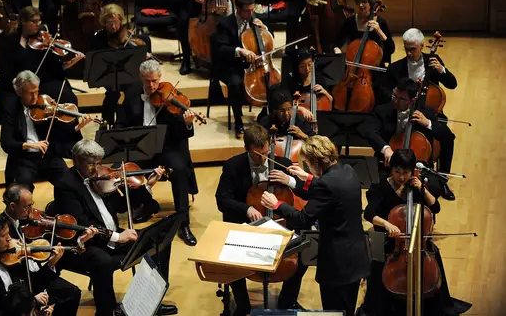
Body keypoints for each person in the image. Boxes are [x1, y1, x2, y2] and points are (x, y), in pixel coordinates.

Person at [53, 139, 177, 316]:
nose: (96, 168)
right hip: (86, 244)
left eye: (98, 163)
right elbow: (81, 225)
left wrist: (147, 186)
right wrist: (118, 237)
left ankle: (151, 302)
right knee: (102, 262)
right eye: (91, 164)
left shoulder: (99, 177)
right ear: (76, 160)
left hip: (112, 236)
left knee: (160, 239)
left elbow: (120, 205)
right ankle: (107, 311)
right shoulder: (66, 185)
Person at [261, 135, 370, 316]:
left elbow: (303, 219)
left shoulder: (326, 184)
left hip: (337, 265)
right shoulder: (347, 170)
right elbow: (329, 193)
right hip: (356, 257)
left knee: (335, 312)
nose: (307, 167)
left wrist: (277, 205)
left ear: (316, 161)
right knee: (347, 310)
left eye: (307, 163)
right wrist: (308, 178)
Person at [215, 125, 316, 315]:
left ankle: (288, 300)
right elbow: (222, 200)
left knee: (305, 251)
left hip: (279, 224)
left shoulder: (281, 163)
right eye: (259, 154)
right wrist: (247, 208)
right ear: (248, 149)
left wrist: (289, 180)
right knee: (231, 257)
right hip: (245, 225)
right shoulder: (233, 166)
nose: (264, 157)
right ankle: (242, 304)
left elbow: (306, 190)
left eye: (267, 151)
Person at [359, 148, 471, 316]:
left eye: (406, 172)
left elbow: (436, 207)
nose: (401, 177)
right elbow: (369, 213)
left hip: (417, 240)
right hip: (389, 240)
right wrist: (387, 224)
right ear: (392, 169)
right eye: (397, 172)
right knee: (378, 265)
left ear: (413, 171)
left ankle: (435, 301)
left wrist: (423, 190)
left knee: (435, 253)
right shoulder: (380, 187)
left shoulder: (416, 186)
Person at [115, 59, 199, 246]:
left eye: (154, 80)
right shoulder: (131, 94)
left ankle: (183, 223)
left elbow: (180, 133)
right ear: (140, 78)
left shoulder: (170, 95)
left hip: (167, 149)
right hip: (140, 149)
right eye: (147, 81)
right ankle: (145, 204)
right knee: (120, 170)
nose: (151, 85)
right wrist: (123, 136)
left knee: (178, 169)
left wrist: (187, 123)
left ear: (160, 77)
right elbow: (121, 123)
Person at [0, 212, 76, 316]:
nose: (9, 239)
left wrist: (52, 262)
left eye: (8, 234)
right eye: (4, 236)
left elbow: (34, 284)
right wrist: (30, 305)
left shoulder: (10, 254)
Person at [1, 184, 91, 315]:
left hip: (39, 274)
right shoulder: (3, 230)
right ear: (13, 206)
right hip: (25, 282)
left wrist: (79, 241)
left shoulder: (30, 220)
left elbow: (51, 241)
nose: (32, 210)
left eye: (32, 204)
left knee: (73, 293)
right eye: (27, 206)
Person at [360, 78, 456, 200]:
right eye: (394, 95)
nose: (395, 100)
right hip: (390, 166)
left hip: (419, 167)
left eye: (401, 99)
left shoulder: (425, 112)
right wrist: (386, 149)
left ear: (411, 100)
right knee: (377, 193)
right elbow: (369, 131)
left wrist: (428, 124)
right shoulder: (382, 110)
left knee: (433, 191)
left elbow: (448, 137)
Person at [0, 71, 92, 186]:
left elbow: (58, 134)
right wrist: (30, 145)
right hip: (24, 159)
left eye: (37, 91)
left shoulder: (44, 104)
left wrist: (77, 127)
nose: (35, 97)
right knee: (21, 189)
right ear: (19, 92)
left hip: (48, 155)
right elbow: (6, 143)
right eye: (30, 93)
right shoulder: (11, 109)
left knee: (69, 183)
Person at [0, 6, 84, 117]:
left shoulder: (43, 40)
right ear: (23, 21)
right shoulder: (10, 40)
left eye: (39, 21)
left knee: (69, 97)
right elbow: (6, 67)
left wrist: (70, 63)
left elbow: (54, 67)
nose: (38, 24)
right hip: (22, 82)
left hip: (43, 79)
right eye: (34, 21)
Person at [211, 0, 269, 137]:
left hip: (253, 65)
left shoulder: (255, 19)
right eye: (247, 11)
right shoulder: (225, 24)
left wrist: (265, 29)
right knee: (235, 83)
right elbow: (220, 49)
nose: (250, 14)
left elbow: (269, 40)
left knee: (270, 80)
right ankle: (238, 121)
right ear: (238, 9)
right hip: (230, 64)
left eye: (252, 10)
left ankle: (265, 114)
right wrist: (240, 51)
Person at [89, 3, 150, 124]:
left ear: (121, 20)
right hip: (109, 75)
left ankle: (132, 121)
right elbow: (95, 62)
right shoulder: (99, 38)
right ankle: (107, 123)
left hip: (128, 73)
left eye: (116, 22)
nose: (114, 26)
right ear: (104, 23)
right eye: (109, 23)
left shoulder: (128, 35)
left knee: (135, 87)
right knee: (113, 92)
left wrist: (143, 56)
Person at [384, 27, 458, 107]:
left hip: (429, 109)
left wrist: (442, 70)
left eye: (413, 49)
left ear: (422, 46)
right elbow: (384, 91)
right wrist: (397, 98)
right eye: (406, 49)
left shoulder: (433, 61)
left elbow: (452, 85)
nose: (409, 53)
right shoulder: (395, 68)